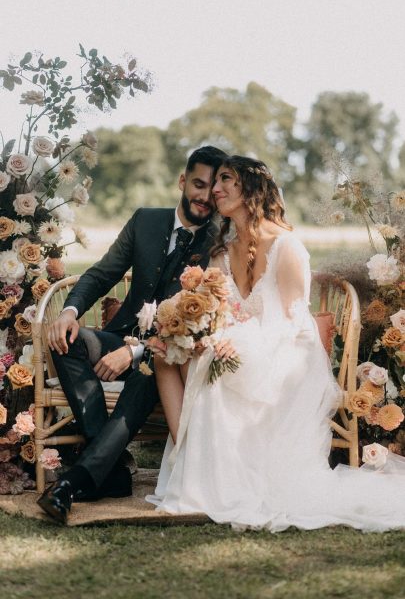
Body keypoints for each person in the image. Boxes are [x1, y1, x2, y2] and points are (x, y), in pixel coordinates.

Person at [147, 155, 405, 532]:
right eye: (214, 182)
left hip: (287, 356)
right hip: (239, 345)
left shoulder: (287, 247)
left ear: (250, 189)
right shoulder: (222, 251)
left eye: (225, 180)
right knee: (182, 354)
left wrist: (236, 342)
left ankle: (213, 480)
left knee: (215, 370)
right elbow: (222, 313)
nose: (216, 189)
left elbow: (290, 323)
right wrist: (209, 335)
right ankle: (193, 469)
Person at [37, 145, 228, 523]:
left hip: (170, 358)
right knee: (67, 340)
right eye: (197, 184)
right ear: (182, 181)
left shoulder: (219, 245)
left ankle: (72, 483)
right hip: (117, 337)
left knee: (151, 371)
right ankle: (107, 470)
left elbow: (200, 325)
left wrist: (138, 351)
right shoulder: (146, 221)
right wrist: (71, 313)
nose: (204, 196)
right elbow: (101, 273)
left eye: (212, 189)